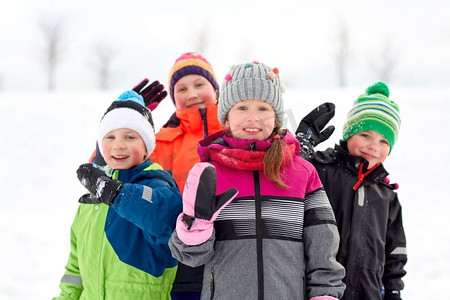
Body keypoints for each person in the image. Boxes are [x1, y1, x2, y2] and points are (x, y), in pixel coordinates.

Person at [169, 61, 346, 300]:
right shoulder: (208, 173)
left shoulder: (303, 172)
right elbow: (191, 256)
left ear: (276, 118)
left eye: (263, 109)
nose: (253, 118)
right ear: (226, 118)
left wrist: (325, 294)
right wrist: (196, 228)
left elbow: (323, 244)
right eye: (242, 108)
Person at [53, 91, 183, 299]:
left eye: (130, 137)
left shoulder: (158, 185)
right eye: (110, 137)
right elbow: (75, 267)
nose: (118, 145)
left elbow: (165, 217)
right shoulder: (91, 199)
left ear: (146, 146)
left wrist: (112, 192)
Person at [295, 82, 407, 300]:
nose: (374, 146)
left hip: (368, 293)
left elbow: (395, 252)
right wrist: (301, 149)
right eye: (365, 135)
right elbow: (286, 182)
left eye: (384, 141)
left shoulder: (387, 195)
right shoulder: (321, 170)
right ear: (349, 133)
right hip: (319, 290)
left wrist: (393, 291)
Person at [150, 52, 224, 300]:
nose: (191, 94)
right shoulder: (160, 142)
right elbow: (113, 166)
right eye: (181, 89)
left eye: (199, 84)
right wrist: (127, 118)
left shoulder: (237, 131)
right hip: (181, 261)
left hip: (234, 254)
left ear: (215, 89)